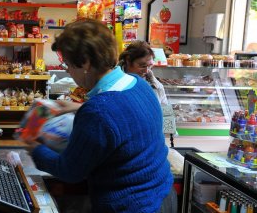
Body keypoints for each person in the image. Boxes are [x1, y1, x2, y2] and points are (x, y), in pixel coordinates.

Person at [26, 19, 175, 213]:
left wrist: (34, 147)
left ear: (86, 63)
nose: (69, 72)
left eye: (69, 65)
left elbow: (70, 170)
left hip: (131, 206)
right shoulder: (138, 84)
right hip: (164, 196)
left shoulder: (99, 111)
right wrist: (78, 108)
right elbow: (125, 120)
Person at [118, 40, 168, 105]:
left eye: (149, 66)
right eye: (143, 66)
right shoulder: (114, 84)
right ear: (128, 61)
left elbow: (165, 111)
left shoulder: (156, 86)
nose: (146, 71)